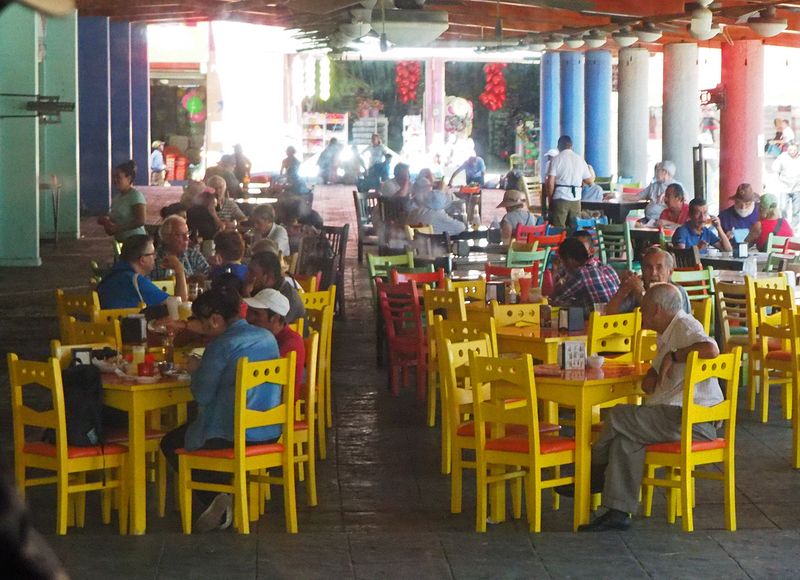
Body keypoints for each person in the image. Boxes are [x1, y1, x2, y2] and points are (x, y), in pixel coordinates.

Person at [575, 284, 722, 532]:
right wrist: (655, 372)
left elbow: (711, 349)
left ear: (656, 310)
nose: (640, 316)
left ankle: (593, 471)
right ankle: (618, 512)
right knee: (626, 441)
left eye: (643, 311)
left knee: (619, 415)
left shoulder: (685, 326)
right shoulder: (668, 331)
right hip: (674, 417)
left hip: (692, 421)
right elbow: (655, 372)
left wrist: (674, 357)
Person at [160, 288, 283, 532]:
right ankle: (222, 496)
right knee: (190, 435)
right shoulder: (267, 338)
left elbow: (202, 395)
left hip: (233, 436)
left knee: (171, 442)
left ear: (216, 320)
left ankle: (217, 498)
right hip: (269, 430)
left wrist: (196, 369)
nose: (204, 331)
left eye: (204, 325)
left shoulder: (222, 345)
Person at [244, 288, 305, 401]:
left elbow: (259, 375)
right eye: (250, 311)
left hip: (277, 407)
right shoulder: (262, 336)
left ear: (275, 318)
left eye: (256, 314)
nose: (249, 318)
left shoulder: (291, 343)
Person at [97, 234, 187, 308]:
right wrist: (179, 270)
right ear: (142, 260)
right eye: (152, 254)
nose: (155, 257)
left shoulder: (113, 275)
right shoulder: (135, 281)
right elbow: (179, 306)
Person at [605, 246, 691, 316]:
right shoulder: (636, 287)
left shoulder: (677, 292)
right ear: (642, 270)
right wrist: (622, 291)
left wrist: (640, 292)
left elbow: (659, 320)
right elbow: (609, 314)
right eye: (648, 267)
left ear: (670, 272)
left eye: (659, 267)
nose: (653, 273)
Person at [549, 237, 620, 311]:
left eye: (563, 262)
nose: (564, 266)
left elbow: (555, 299)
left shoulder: (581, 274)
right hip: (620, 318)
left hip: (601, 319)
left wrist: (555, 271)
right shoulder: (606, 267)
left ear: (569, 260)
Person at [545, 135, 594, 230]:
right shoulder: (580, 160)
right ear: (571, 146)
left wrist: (550, 198)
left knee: (558, 229)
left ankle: (560, 244)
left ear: (558, 147)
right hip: (576, 199)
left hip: (560, 197)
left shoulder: (556, 159)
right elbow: (589, 181)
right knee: (575, 228)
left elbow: (550, 182)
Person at [246, 250, 305, 324]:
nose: (247, 275)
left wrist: (246, 294)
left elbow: (262, 327)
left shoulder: (286, 299)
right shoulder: (259, 289)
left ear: (268, 277)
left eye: (252, 272)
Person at [150, 215, 210, 281]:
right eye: (180, 235)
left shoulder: (193, 255)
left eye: (187, 234)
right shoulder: (153, 259)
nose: (186, 238)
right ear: (166, 237)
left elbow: (210, 276)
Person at [98, 160, 146, 242]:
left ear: (129, 178)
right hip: (121, 242)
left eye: (118, 177)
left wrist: (118, 228)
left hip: (136, 242)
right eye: (114, 177)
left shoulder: (135, 196)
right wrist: (106, 221)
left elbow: (140, 220)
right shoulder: (117, 198)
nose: (115, 180)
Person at [638, 160, 677, 225]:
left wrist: (665, 195)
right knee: (635, 226)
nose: (656, 173)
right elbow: (638, 196)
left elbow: (684, 201)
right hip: (648, 219)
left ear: (664, 172)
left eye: (658, 170)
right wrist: (621, 196)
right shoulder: (654, 185)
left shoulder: (676, 186)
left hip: (662, 221)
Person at [772, 143, 800, 229]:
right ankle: (785, 225)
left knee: (796, 211)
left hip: (797, 187)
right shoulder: (783, 157)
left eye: (794, 150)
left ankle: (793, 228)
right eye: (790, 150)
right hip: (784, 186)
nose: (792, 152)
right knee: (783, 208)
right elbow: (775, 168)